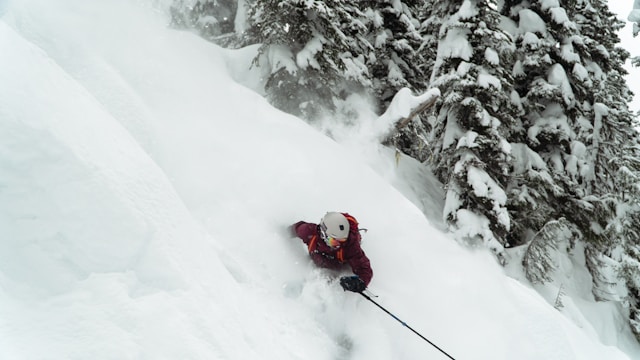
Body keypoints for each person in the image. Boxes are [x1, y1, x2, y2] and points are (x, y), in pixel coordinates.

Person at [291, 212, 372, 293]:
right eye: (333, 241)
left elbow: (364, 268)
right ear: (323, 234)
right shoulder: (309, 232)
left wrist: (359, 283)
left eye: (341, 241)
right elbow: (293, 229)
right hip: (319, 260)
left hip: (338, 265)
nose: (338, 245)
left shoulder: (349, 246)